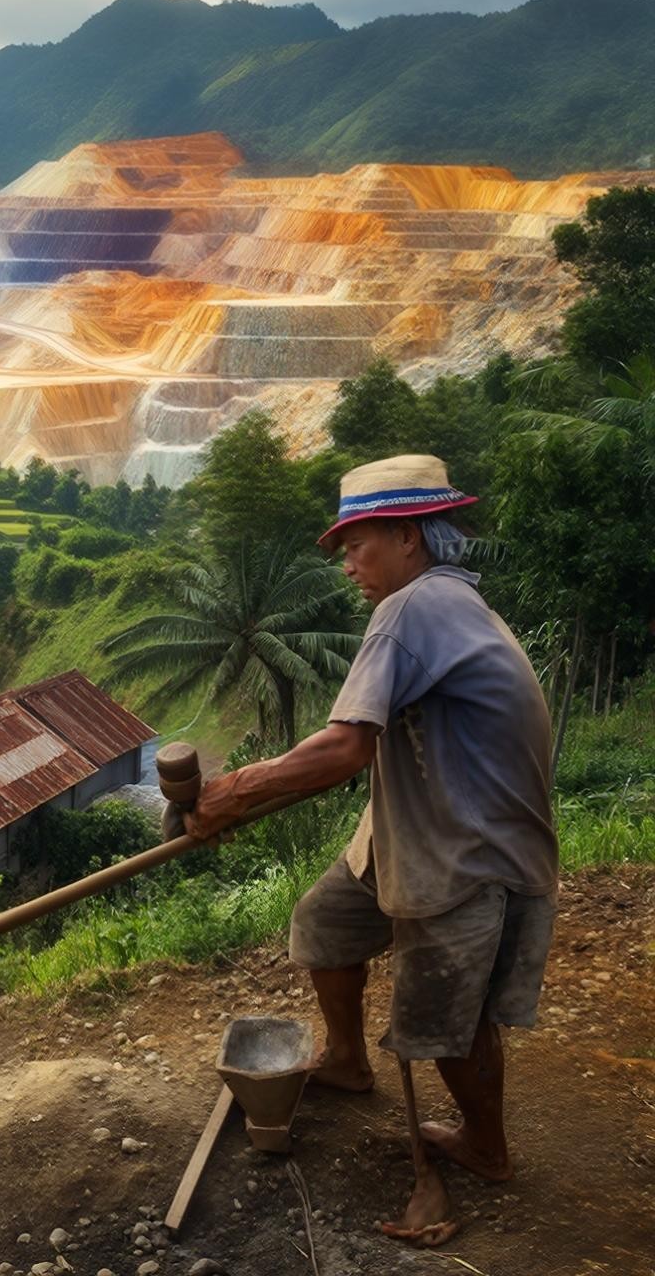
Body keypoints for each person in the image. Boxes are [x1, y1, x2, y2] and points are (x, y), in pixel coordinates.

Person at [184, 454, 556, 1248]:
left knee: (445, 1020)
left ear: (412, 539)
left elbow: (346, 748)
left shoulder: (412, 608)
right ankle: (349, 1060)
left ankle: (486, 1151)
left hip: (467, 847)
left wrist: (233, 791)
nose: (348, 562)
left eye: (359, 542)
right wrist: (243, 795)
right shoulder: (447, 601)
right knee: (327, 924)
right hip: (413, 824)